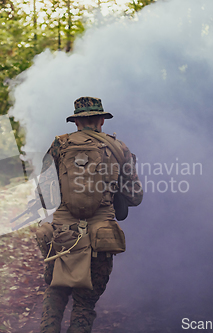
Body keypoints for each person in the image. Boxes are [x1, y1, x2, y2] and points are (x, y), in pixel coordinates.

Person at [39, 97, 143, 333]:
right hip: (100, 236)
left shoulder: (59, 146)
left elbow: (44, 196)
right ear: (101, 121)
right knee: (85, 303)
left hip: (62, 235)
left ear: (76, 121)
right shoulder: (119, 148)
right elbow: (135, 197)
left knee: (55, 292)